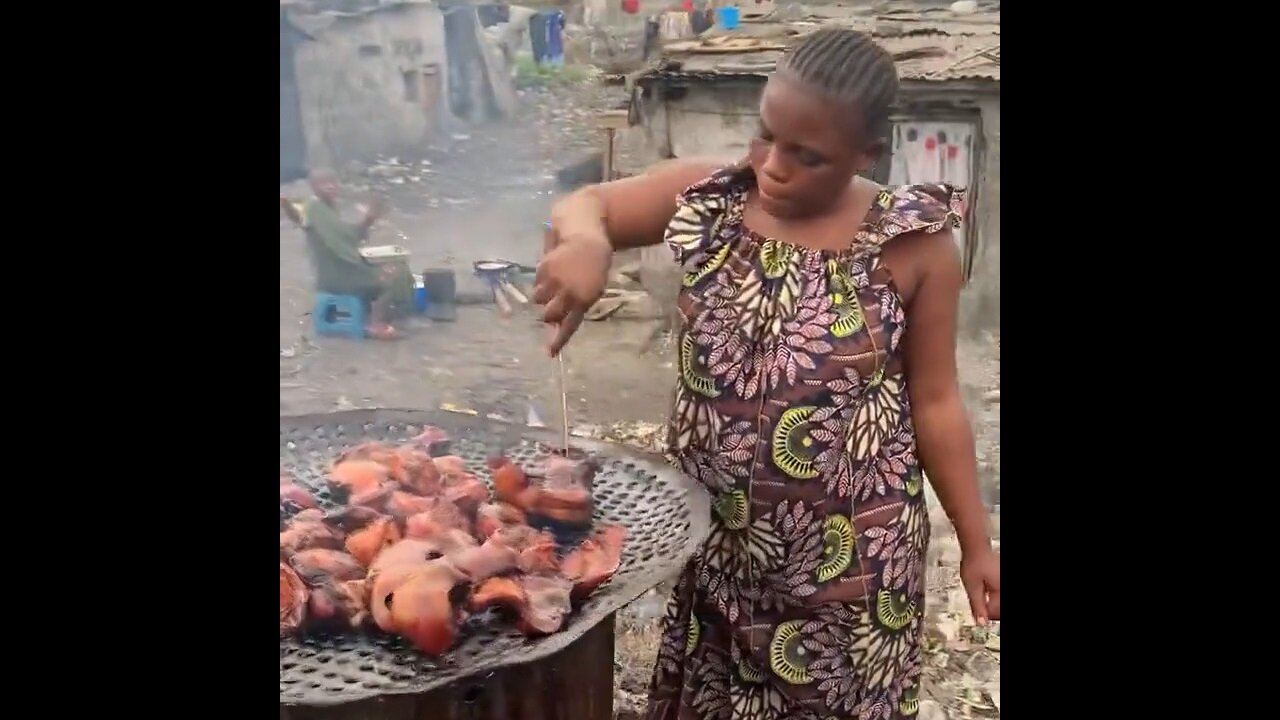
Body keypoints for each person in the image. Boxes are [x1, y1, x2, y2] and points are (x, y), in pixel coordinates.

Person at [535, 28, 999, 720]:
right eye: (767, 137)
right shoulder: (717, 198)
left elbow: (934, 403)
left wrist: (975, 543)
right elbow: (588, 204)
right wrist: (585, 244)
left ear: (866, 155)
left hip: (851, 577)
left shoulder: (914, 245)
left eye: (807, 156)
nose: (774, 167)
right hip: (720, 553)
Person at [285, 169, 412, 340]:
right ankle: (377, 324)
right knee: (395, 273)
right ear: (313, 187)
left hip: (344, 269)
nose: (330, 186)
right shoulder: (314, 209)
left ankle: (376, 311)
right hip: (338, 276)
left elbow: (348, 236)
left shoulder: (328, 209)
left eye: (333, 182)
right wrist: (286, 205)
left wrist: (369, 219)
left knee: (397, 266)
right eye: (323, 183)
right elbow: (299, 217)